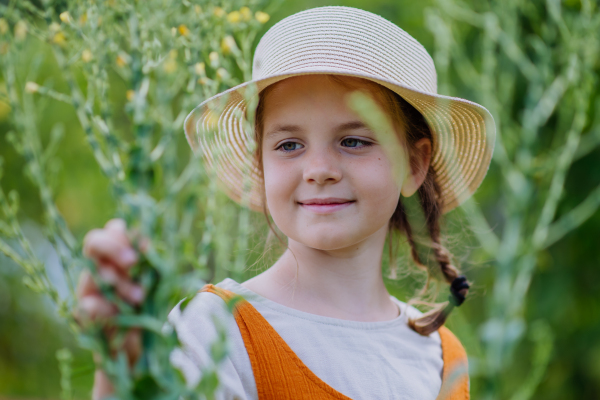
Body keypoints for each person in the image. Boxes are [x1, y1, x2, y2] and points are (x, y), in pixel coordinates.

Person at [76, 6, 495, 400]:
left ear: (415, 164)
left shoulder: (443, 359)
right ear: (260, 163)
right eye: (289, 144)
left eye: (354, 141)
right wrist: (121, 371)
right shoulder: (216, 329)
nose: (318, 169)